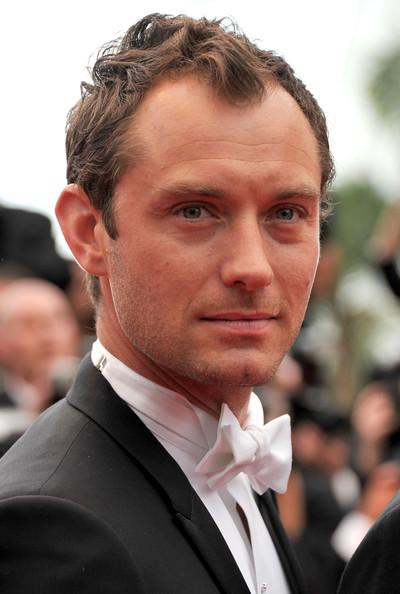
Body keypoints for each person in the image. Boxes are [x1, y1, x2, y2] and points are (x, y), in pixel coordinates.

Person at [0, 14, 334, 594]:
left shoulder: (243, 464)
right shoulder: (47, 527)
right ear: (88, 232)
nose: (252, 267)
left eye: (286, 213)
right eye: (196, 210)